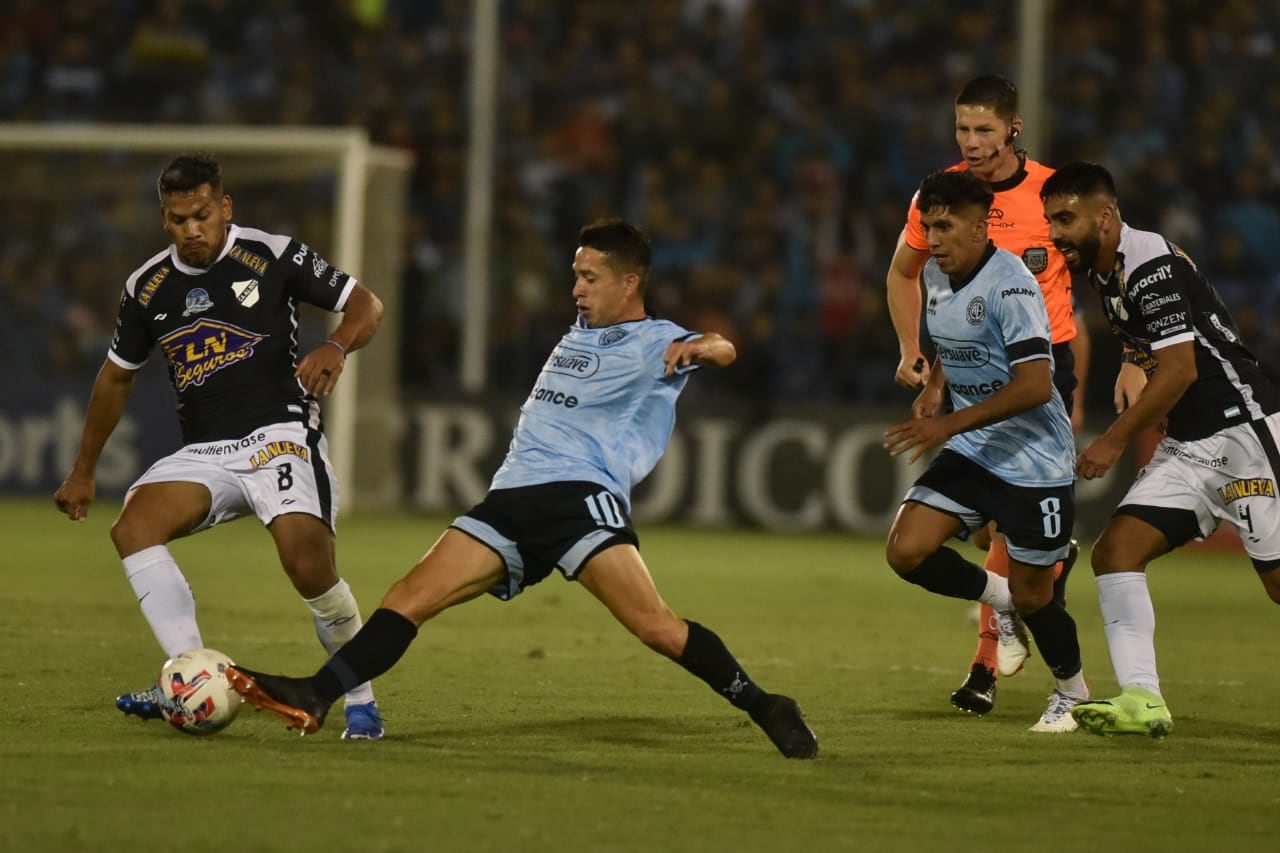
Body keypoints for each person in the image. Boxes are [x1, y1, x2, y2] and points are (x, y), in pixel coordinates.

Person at [221, 219, 819, 759]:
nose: (577, 289)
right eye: (575, 276)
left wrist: (701, 349)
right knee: (409, 596)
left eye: (590, 277)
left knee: (656, 628)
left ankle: (766, 705)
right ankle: (317, 694)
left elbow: (725, 345)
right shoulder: (578, 333)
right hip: (510, 500)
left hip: (578, 500)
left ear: (629, 283)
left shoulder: (656, 339)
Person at [53, 153, 389, 740]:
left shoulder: (272, 254)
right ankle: (188, 678)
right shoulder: (147, 286)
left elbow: (367, 305)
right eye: (180, 219)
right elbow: (115, 376)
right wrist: (84, 470)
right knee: (133, 528)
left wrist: (335, 345)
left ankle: (359, 697)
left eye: (202, 215)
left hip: (279, 436)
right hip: (207, 451)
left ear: (224, 208)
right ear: (165, 219)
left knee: (309, 568)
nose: (193, 229)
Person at [1040, 161, 1280, 738]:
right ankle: (1142, 698)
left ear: (1106, 215)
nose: (1055, 233)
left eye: (1066, 218)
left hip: (1244, 430)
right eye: (1050, 221)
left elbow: (1178, 370)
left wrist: (1114, 439)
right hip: (1191, 446)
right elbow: (1156, 342)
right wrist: (1129, 358)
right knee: (1116, 551)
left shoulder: (1149, 265)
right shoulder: (1104, 270)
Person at [884, 74, 1099, 715]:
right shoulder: (943, 200)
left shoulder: (1051, 195)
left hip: (1041, 364)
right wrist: (918, 361)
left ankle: (1017, 661)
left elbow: (1107, 269)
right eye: (962, 129)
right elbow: (911, 278)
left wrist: (1138, 357)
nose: (972, 142)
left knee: (1013, 540)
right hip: (975, 369)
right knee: (977, 547)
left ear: (1013, 129)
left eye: (984, 129)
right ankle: (1003, 620)